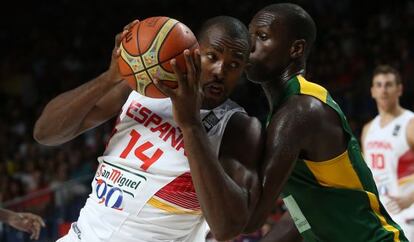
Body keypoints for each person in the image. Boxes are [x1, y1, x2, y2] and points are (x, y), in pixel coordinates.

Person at [33, 16, 262, 242]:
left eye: (234, 65)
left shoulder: (238, 127)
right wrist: (109, 77)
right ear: (192, 52)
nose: (220, 72)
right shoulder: (144, 88)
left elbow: (227, 228)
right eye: (212, 57)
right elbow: (45, 133)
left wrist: (191, 126)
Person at [236, 3, 408, 242]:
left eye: (262, 37)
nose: (249, 46)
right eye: (248, 36)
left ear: (296, 49)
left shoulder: (300, 110)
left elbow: (250, 218)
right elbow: (304, 212)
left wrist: (193, 125)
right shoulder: (290, 109)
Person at [361, 65, 414, 241]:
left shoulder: (410, 124)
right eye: (379, 85)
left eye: (389, 84)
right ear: (372, 91)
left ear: (399, 89)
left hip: (408, 213)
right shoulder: (368, 130)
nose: (383, 90)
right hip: (380, 217)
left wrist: (410, 198)